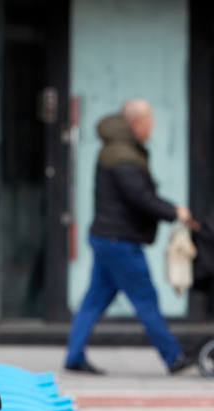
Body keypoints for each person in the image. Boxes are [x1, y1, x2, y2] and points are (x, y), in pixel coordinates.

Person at [65, 98, 195, 375]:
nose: (152, 127)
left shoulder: (117, 150)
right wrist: (175, 212)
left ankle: (74, 356)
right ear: (136, 123)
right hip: (120, 242)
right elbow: (141, 198)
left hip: (107, 237)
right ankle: (173, 357)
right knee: (145, 299)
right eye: (149, 121)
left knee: (94, 300)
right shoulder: (123, 156)